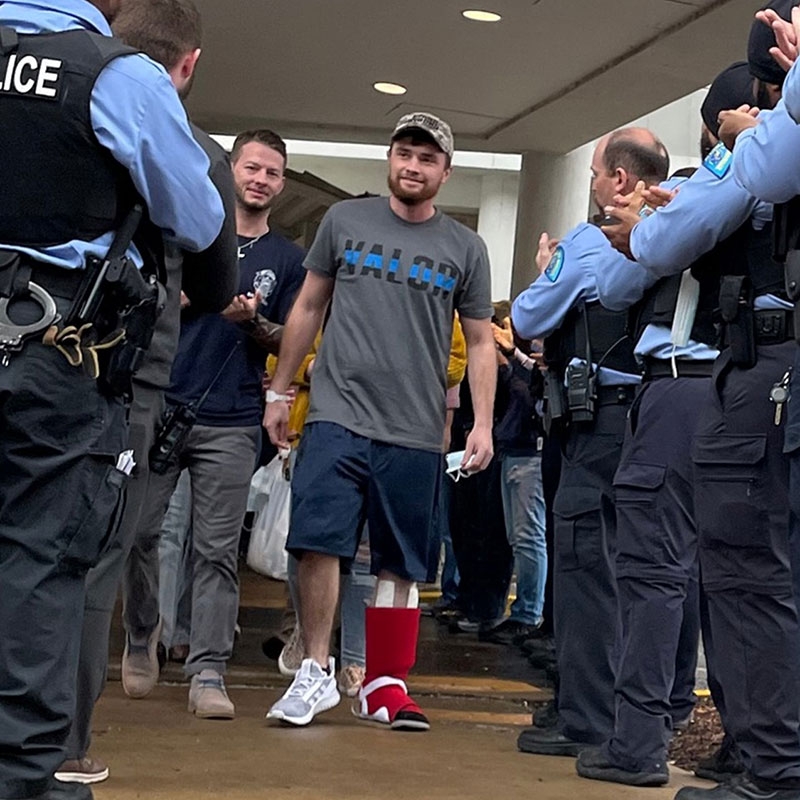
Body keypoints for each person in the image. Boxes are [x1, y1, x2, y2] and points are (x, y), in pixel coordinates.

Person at [0, 0, 228, 797]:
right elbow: (199, 223)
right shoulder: (113, 74)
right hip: (49, 353)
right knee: (39, 559)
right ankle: (22, 775)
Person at [264, 111, 496, 731]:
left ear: (445, 172)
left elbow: (479, 343)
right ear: (389, 160)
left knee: (400, 562)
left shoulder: (465, 248)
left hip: (415, 430)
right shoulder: (344, 222)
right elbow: (309, 304)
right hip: (337, 415)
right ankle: (316, 671)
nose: (412, 166)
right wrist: (281, 392)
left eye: (426, 158)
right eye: (404, 154)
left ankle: (385, 683)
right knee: (318, 542)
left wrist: (482, 424)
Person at [572, 63, 756, 790]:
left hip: (683, 389)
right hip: (749, 392)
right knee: (741, 580)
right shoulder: (773, 182)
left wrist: (645, 225)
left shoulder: (709, 183)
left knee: (651, 571)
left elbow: (617, 284)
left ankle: (638, 742)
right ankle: (751, 745)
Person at [119, 127, 305, 722]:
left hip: (231, 418)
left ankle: (208, 669)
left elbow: (291, 339)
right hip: (163, 402)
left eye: (272, 172)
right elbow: (147, 302)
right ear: (230, 171)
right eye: (252, 167)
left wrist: (253, 323)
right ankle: (143, 632)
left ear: (281, 183)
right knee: (143, 533)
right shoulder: (191, 233)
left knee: (217, 551)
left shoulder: (290, 259)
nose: (260, 179)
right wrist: (207, 296)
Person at [512, 128, 669, 759]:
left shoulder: (586, 240)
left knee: (584, 569)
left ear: (621, 181)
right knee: (649, 576)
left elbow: (525, 318)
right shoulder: (682, 226)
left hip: (597, 420)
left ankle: (585, 717)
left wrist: (551, 266)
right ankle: (640, 716)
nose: (595, 184)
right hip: (658, 415)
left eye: (598, 173)